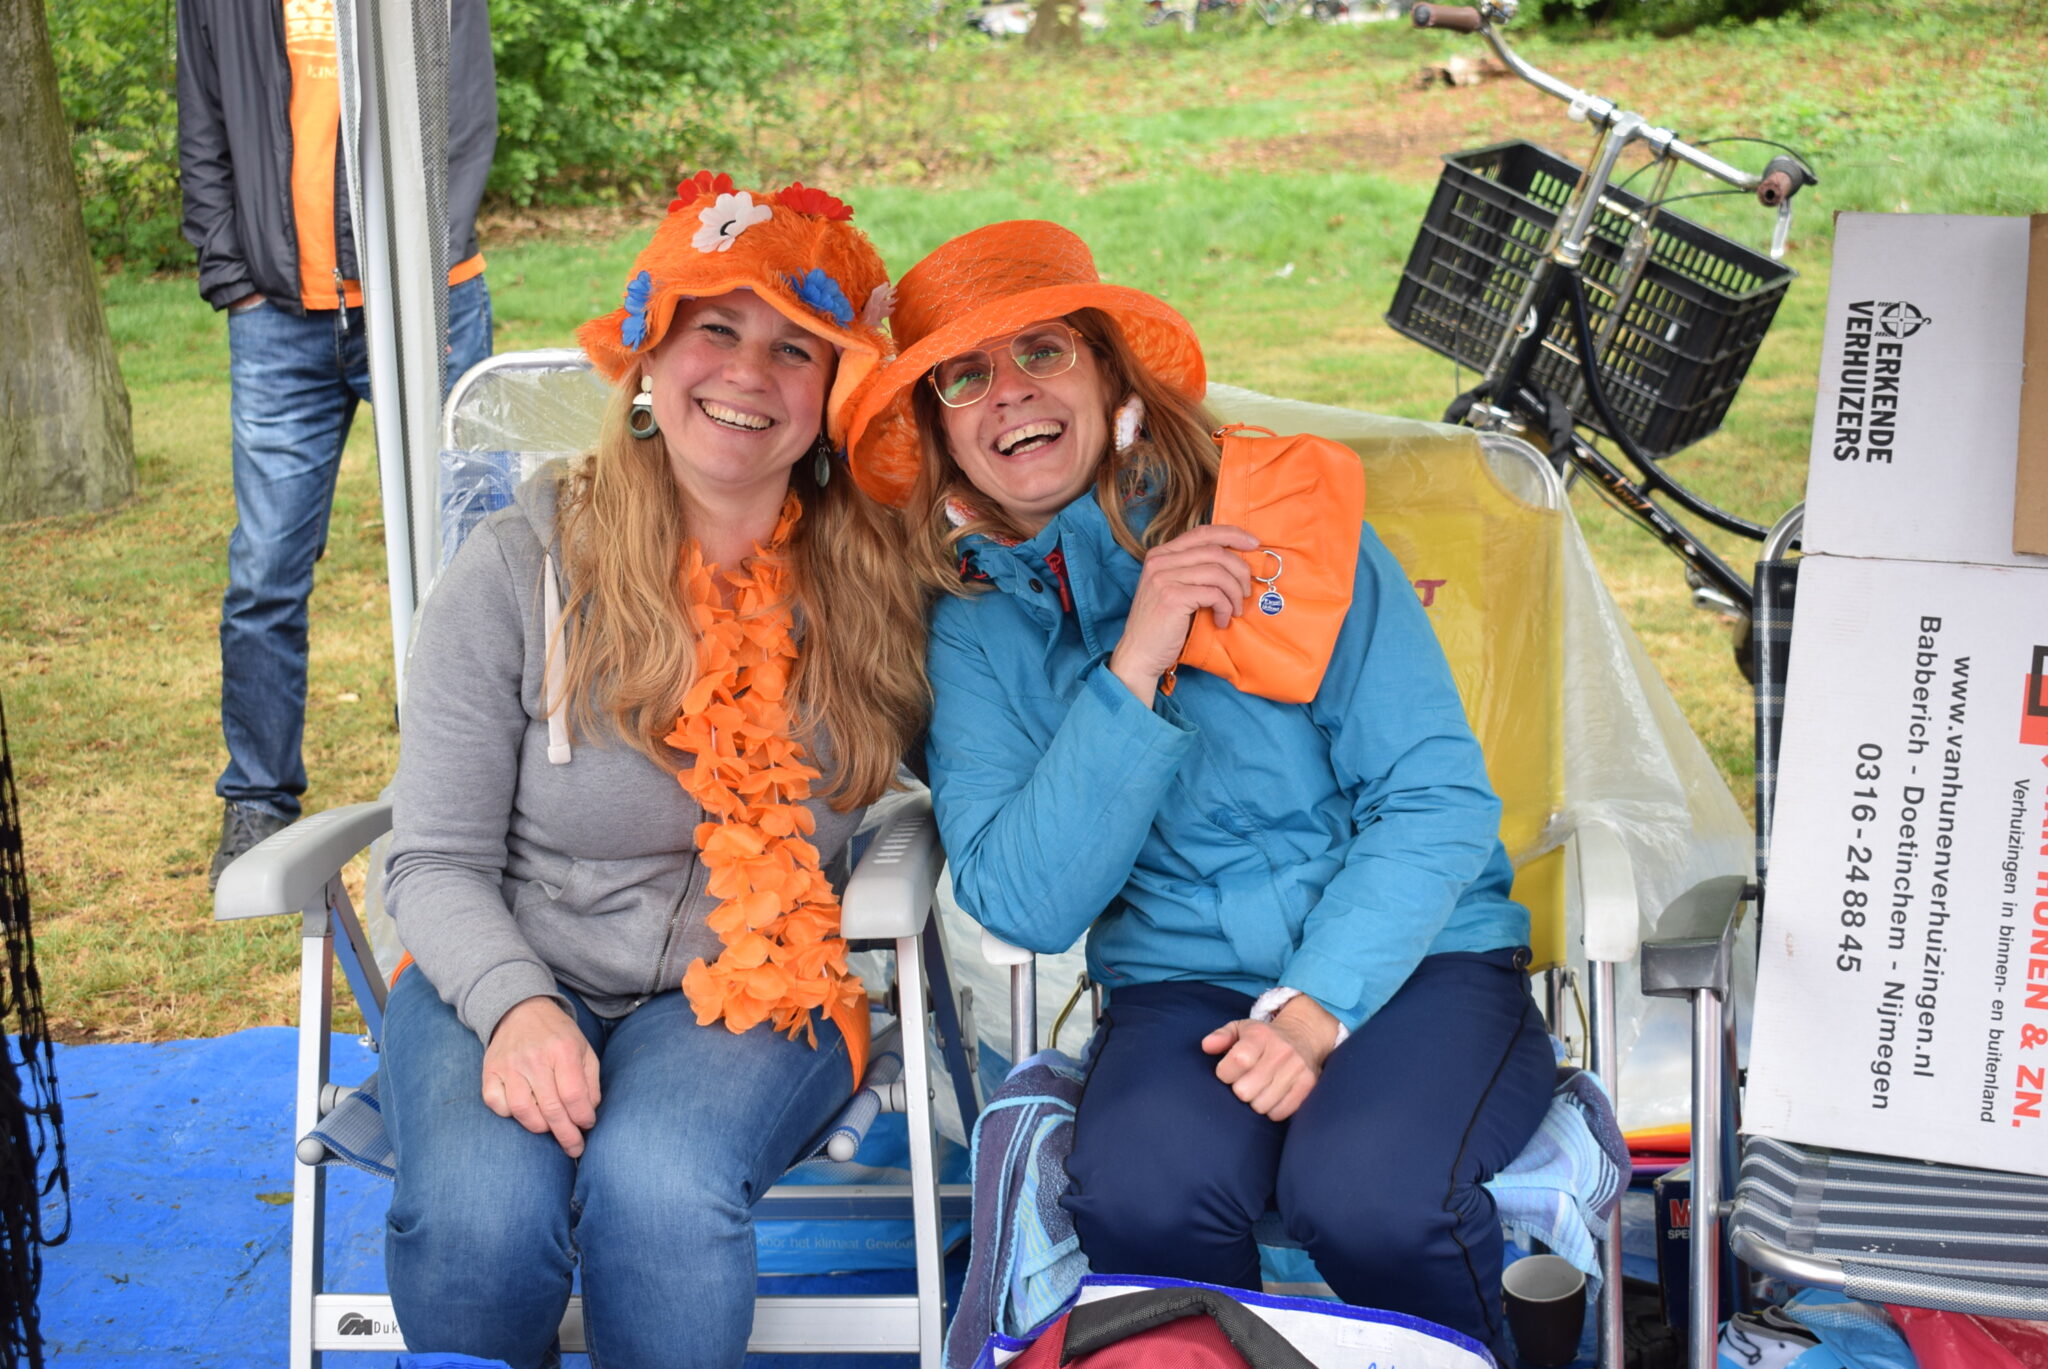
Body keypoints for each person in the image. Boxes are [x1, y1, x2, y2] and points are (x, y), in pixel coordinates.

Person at [845, 221, 1553, 1360]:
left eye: (1042, 353)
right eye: (963, 378)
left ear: (1109, 373)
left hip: (1412, 963)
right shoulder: (973, 629)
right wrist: (1133, 662)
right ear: (938, 431)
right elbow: (1026, 903)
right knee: (1140, 1194)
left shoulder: (1277, 527)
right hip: (1180, 985)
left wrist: (1313, 1008)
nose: (1007, 397)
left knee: (1366, 1193)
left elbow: (1433, 802)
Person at [378, 173, 925, 1369]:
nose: (746, 373)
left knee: (661, 1194)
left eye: (796, 347)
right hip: (510, 962)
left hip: (752, 987)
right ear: (647, 357)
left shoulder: (882, 588)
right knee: (480, 1219)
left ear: (835, 394)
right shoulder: (519, 563)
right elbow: (430, 857)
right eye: (713, 328)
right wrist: (517, 1004)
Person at [176, 0, 498, 886]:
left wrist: (421, 273)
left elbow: (466, 117)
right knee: (266, 566)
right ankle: (258, 801)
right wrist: (232, 277)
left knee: (470, 555)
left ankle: (474, 796)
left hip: (429, 299)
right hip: (278, 319)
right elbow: (201, 125)